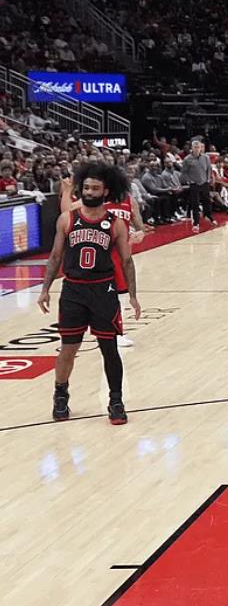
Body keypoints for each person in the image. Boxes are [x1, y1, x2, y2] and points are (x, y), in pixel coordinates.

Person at [37, 162, 141, 424]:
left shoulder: (115, 223)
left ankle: (115, 400)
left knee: (109, 348)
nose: (90, 192)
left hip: (103, 289)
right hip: (73, 290)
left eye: (95, 188)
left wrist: (132, 295)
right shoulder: (67, 218)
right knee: (68, 348)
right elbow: (55, 256)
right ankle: (61, 395)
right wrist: (45, 289)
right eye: (86, 188)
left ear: (105, 191)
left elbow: (127, 261)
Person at [59, 171, 147, 348]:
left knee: (120, 294)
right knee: (97, 295)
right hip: (99, 253)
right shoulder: (95, 201)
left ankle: (117, 333)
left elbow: (139, 223)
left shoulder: (128, 200)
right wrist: (67, 192)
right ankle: (82, 332)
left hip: (120, 253)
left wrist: (140, 233)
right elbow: (67, 212)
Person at [181, 140, 217, 232]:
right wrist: (190, 181)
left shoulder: (205, 157)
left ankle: (208, 216)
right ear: (192, 148)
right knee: (195, 204)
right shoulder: (187, 159)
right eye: (195, 147)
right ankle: (196, 223)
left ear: (201, 148)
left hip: (204, 182)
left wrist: (208, 179)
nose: (197, 149)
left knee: (207, 201)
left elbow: (209, 168)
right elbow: (184, 172)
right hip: (194, 184)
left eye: (198, 147)